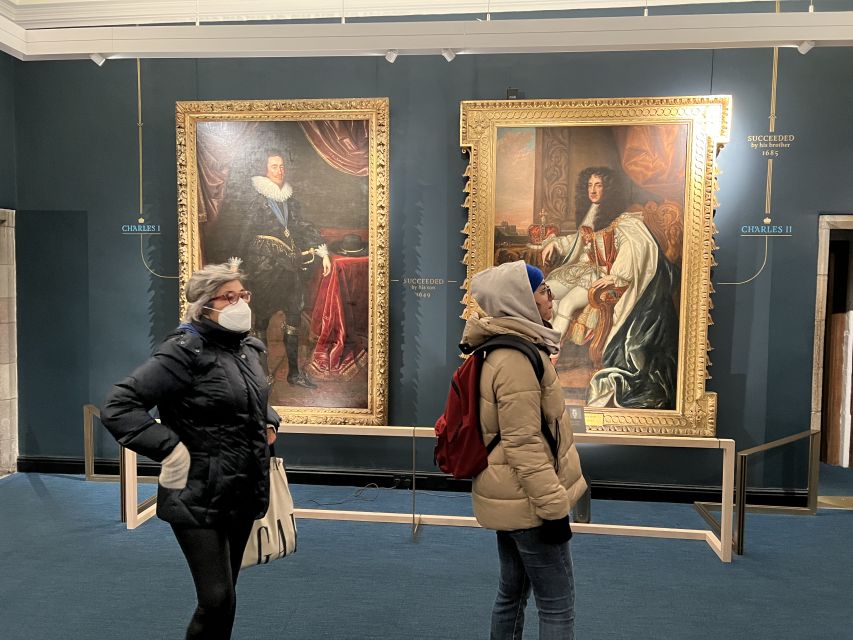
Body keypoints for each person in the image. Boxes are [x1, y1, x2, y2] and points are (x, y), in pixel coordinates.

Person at [101, 258, 280, 640]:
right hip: (196, 492)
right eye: (227, 297)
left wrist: (269, 421)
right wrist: (170, 448)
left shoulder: (247, 348)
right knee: (214, 598)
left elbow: (256, 395)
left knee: (228, 596)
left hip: (242, 488)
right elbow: (119, 406)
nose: (239, 303)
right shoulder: (183, 352)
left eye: (242, 294)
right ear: (204, 306)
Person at [462, 260, 587, 640]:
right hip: (529, 502)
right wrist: (553, 510)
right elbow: (524, 445)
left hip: (510, 494)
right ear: (521, 299)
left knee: (512, 593)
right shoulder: (515, 358)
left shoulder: (506, 348)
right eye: (543, 289)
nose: (550, 296)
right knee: (557, 602)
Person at [541, 166, 679, 409]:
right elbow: (577, 240)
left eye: (599, 185)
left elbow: (637, 249)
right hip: (581, 271)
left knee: (568, 304)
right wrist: (554, 244)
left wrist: (616, 276)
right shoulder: (593, 213)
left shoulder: (625, 220)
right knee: (546, 292)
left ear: (610, 189)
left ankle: (547, 358)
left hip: (599, 275)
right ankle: (538, 351)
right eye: (590, 185)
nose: (593, 190)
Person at [235, 149, 332, 389]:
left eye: (281, 166)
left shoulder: (289, 199)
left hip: (289, 266)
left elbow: (300, 226)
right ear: (264, 170)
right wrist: (234, 263)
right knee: (263, 319)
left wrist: (322, 250)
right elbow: (243, 232)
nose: (279, 171)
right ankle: (262, 375)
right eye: (274, 166)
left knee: (293, 314)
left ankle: (294, 374)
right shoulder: (255, 198)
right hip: (264, 266)